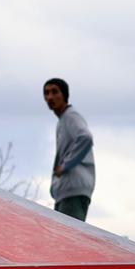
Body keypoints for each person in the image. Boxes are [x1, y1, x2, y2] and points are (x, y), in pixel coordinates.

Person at [43, 78, 94, 221]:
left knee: (66, 238)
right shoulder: (62, 121)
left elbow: (86, 137)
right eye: (46, 93)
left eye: (55, 92)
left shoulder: (70, 116)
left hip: (73, 188)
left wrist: (66, 166)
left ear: (64, 95)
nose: (50, 97)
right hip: (65, 190)